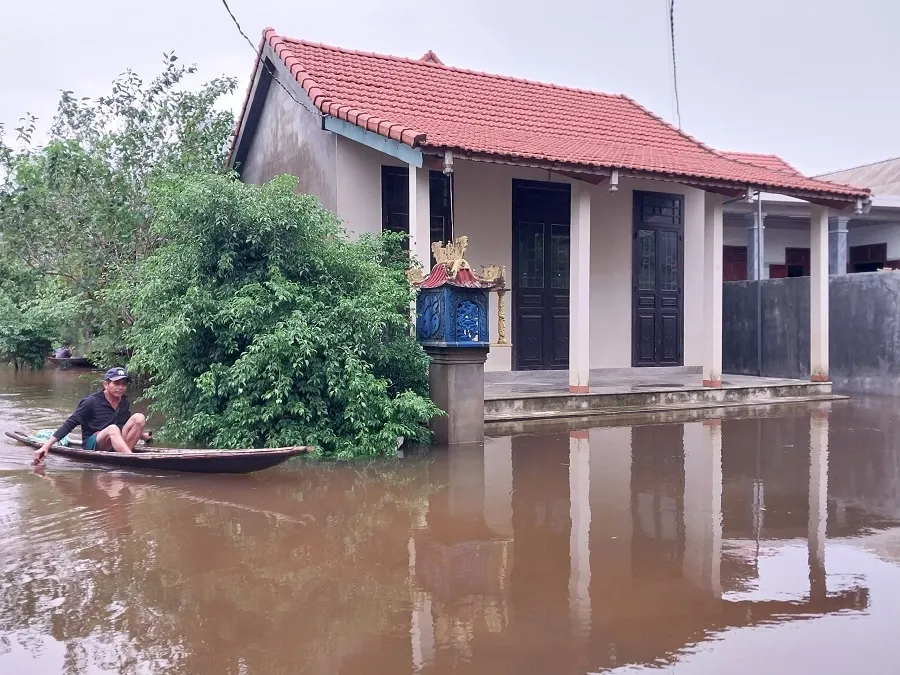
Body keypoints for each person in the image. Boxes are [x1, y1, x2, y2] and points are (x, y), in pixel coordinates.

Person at [33, 366, 150, 464]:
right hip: (93, 443)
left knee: (139, 417)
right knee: (113, 429)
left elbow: (124, 424)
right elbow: (70, 423)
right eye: (116, 383)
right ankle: (132, 460)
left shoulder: (123, 402)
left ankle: (124, 457)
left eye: (124, 384)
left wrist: (142, 435)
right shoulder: (91, 401)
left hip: (114, 440)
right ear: (106, 384)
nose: (121, 388)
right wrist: (46, 446)